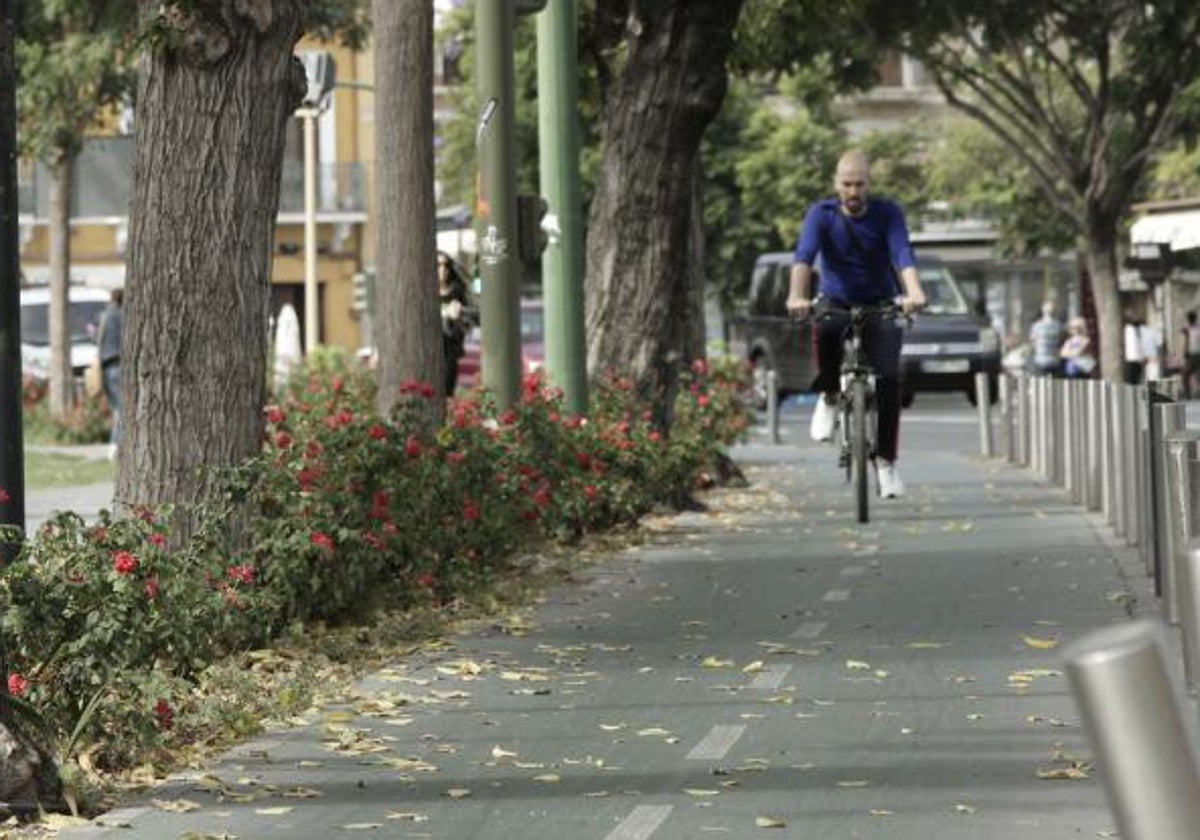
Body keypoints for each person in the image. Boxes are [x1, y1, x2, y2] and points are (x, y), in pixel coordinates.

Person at [786, 150, 926, 499]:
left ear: (869, 185)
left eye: (860, 183)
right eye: (847, 183)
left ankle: (886, 463)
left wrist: (914, 292)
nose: (853, 190)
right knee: (828, 327)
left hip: (881, 301)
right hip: (836, 299)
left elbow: (902, 254)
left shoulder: (888, 213)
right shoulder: (821, 214)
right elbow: (804, 256)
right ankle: (830, 395)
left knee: (889, 380)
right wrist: (796, 296)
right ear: (837, 184)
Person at [438, 252, 471, 397]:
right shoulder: (424, 292)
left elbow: (467, 326)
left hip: (449, 350)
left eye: (446, 265)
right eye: (438, 265)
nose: (443, 269)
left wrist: (457, 317)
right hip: (430, 348)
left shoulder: (457, 292)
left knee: (446, 392)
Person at [97, 288, 123, 460]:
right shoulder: (123, 316)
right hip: (119, 365)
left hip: (105, 367)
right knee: (123, 409)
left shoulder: (105, 316)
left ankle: (115, 445)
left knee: (117, 408)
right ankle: (115, 445)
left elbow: (98, 340)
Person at [1029, 302, 1063, 377]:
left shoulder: (1036, 326)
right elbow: (1061, 341)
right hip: (1055, 360)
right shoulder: (1058, 325)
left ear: (1043, 311)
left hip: (1040, 360)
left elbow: (1033, 342)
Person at [1181, 310, 1200, 399]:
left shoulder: (1190, 329)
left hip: (1195, 355)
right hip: (1191, 355)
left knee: (1186, 374)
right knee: (1187, 374)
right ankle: (1188, 394)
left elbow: (1186, 342)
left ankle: (1188, 394)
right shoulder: (1188, 329)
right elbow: (1185, 342)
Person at [1124, 317, 1146, 385]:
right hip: (1133, 360)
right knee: (1134, 379)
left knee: (1134, 380)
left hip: (1133, 359)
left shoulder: (1130, 330)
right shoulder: (1130, 330)